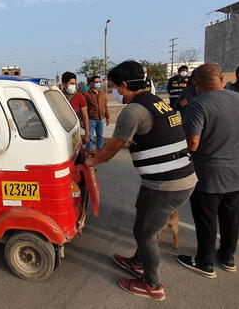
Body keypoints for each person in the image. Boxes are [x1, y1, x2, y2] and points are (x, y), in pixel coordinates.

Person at [86, 60, 196, 302]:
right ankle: (137, 261)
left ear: (124, 85)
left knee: (146, 233)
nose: (113, 91)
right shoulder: (156, 101)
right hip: (169, 178)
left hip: (167, 184)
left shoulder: (133, 111)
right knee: (142, 221)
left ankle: (152, 284)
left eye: (114, 87)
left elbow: (112, 148)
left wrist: (90, 161)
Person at [175, 64, 239, 278]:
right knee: (231, 216)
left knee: (206, 218)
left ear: (195, 82)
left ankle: (204, 262)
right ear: (220, 78)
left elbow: (193, 143)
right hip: (237, 171)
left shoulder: (197, 104)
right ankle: (227, 257)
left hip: (208, 172)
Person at [60, 71, 90, 143]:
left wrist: (87, 134)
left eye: (74, 83)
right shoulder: (58, 96)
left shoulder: (80, 97)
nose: (74, 85)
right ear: (64, 84)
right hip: (61, 134)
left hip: (74, 133)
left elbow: (85, 115)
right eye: (71, 83)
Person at [84, 75, 111, 150]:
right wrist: (83, 120)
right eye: (96, 82)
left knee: (100, 137)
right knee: (90, 137)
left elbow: (105, 106)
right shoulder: (86, 94)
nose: (98, 83)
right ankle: (89, 152)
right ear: (91, 83)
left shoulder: (102, 93)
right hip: (91, 119)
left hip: (101, 119)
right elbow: (83, 108)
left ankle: (99, 152)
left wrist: (107, 117)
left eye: (99, 82)